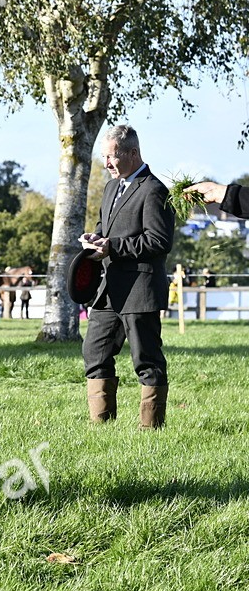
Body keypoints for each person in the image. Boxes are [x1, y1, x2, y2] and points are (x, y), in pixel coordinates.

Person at [78, 125, 173, 429]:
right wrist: (96, 237)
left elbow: (159, 241)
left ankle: (151, 429)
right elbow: (106, 228)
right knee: (94, 351)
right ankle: (102, 427)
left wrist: (113, 247)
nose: (106, 164)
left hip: (140, 289)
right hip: (108, 290)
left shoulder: (155, 190)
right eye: (104, 157)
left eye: (111, 157)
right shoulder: (110, 188)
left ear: (133, 153)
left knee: (146, 360)